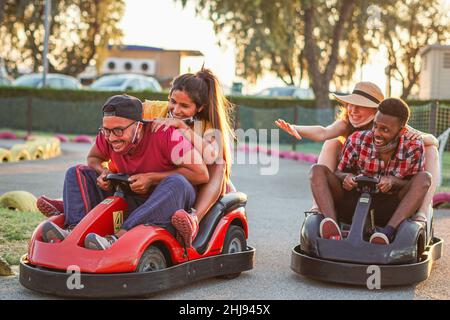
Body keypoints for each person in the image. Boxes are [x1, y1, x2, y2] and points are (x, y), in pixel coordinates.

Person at [40, 94, 209, 250]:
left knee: (177, 182)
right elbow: (93, 158)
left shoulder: (165, 134)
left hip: (168, 200)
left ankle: (116, 239)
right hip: (129, 195)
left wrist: (151, 178)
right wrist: (102, 171)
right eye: (106, 130)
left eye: (119, 131)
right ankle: (74, 230)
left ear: (138, 126)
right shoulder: (107, 135)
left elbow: (201, 173)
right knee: (76, 172)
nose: (112, 138)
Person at [275, 82, 439, 220]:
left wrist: (423, 139)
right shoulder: (347, 124)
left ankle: (422, 211)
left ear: (376, 110)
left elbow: (431, 140)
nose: (353, 110)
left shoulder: (392, 124)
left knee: (431, 150)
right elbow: (323, 132)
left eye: (360, 106)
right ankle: (318, 207)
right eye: (351, 104)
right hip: (352, 176)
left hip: (384, 182)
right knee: (331, 141)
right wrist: (294, 128)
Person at [309, 98, 431, 244]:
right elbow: (338, 173)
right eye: (375, 126)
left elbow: (411, 184)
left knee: (424, 178)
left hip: (390, 208)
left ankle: (387, 233)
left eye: (384, 129)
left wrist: (393, 182)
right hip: (354, 201)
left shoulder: (414, 146)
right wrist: (346, 177)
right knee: (316, 170)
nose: (376, 133)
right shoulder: (357, 139)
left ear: (402, 131)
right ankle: (332, 226)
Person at [142, 67, 234, 247]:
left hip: (199, 184)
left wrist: (182, 128)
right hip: (165, 176)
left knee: (219, 163)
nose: (176, 110)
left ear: (199, 108)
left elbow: (211, 155)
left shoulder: (206, 125)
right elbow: (126, 122)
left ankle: (194, 220)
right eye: (173, 101)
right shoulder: (154, 109)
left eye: (184, 106)